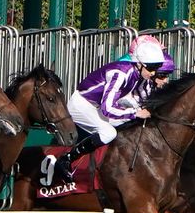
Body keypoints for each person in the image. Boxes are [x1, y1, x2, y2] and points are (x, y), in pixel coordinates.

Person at [54, 41, 166, 183]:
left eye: (157, 68)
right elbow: (108, 109)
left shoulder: (140, 76)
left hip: (96, 107)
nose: (154, 73)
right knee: (109, 132)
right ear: (139, 63)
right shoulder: (121, 73)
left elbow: (146, 100)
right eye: (151, 68)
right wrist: (135, 113)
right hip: (81, 104)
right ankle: (66, 159)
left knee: (131, 122)